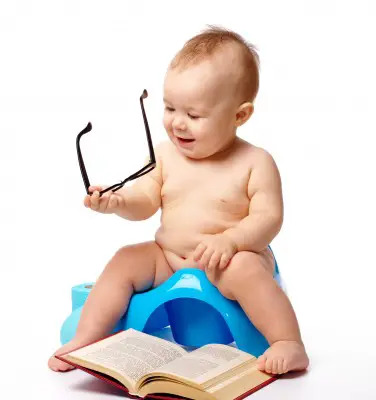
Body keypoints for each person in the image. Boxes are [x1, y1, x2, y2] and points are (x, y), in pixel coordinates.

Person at [49, 26, 309, 375]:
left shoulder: (255, 162)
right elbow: (144, 199)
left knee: (247, 269)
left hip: (227, 263)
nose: (178, 124)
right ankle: (86, 338)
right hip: (169, 259)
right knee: (126, 259)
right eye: (170, 108)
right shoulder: (164, 156)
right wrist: (119, 201)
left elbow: (268, 218)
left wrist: (230, 241)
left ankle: (287, 342)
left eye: (194, 115)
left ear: (240, 115)